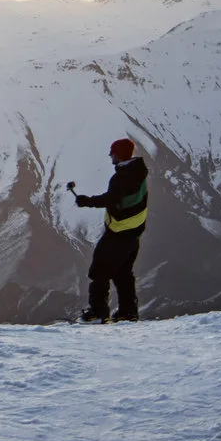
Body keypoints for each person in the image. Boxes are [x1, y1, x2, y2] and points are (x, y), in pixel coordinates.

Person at [72, 137, 148, 323]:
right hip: (134, 233)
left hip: (118, 233)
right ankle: (128, 312)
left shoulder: (123, 176)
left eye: (112, 152)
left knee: (99, 271)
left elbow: (111, 199)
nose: (110, 156)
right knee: (123, 274)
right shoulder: (139, 172)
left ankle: (98, 312)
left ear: (119, 155)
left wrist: (86, 201)